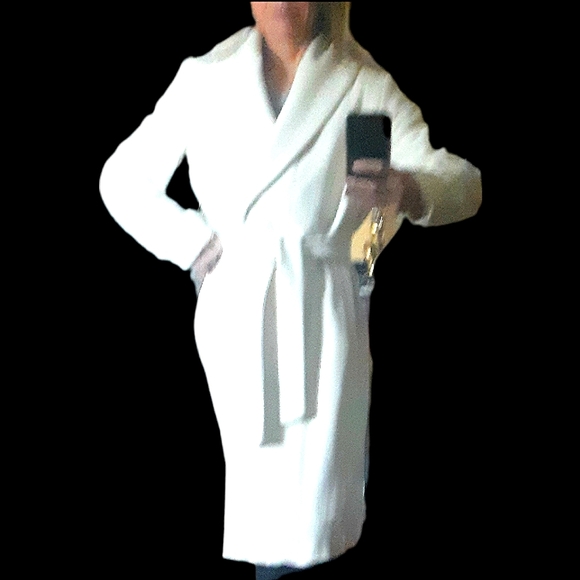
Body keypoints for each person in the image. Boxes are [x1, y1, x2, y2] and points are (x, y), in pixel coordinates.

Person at [99, 3, 482, 578]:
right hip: (240, 318)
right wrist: (196, 248)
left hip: (325, 314)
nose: (283, 2)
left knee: (323, 510)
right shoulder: (205, 77)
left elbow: (464, 184)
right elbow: (122, 180)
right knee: (263, 506)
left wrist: (407, 191)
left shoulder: (361, 82)